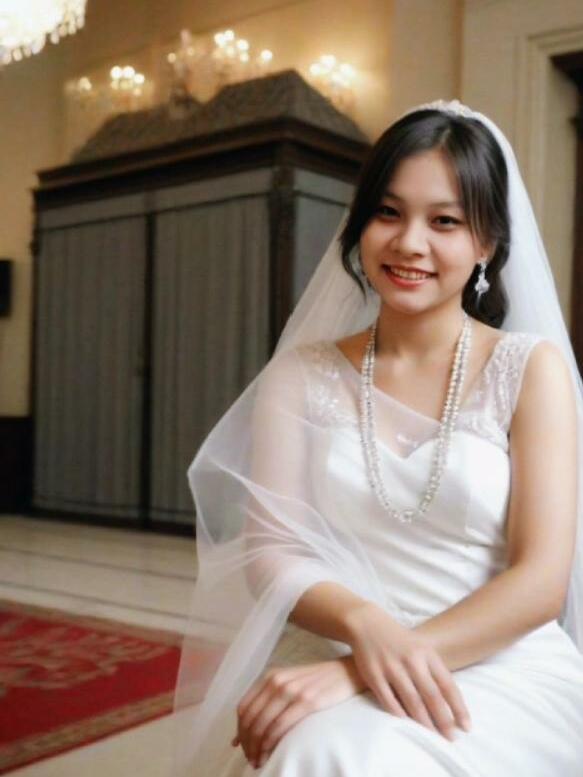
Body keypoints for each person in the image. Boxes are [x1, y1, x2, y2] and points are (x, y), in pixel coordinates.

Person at [171, 100, 583, 776]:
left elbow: (540, 581)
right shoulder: (300, 375)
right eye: (388, 213)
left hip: (500, 662)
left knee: (332, 752)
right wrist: (365, 631)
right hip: (338, 639)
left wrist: (365, 669)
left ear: (485, 242)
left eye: (444, 221)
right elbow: (270, 550)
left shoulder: (527, 369)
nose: (409, 243)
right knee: (307, 747)